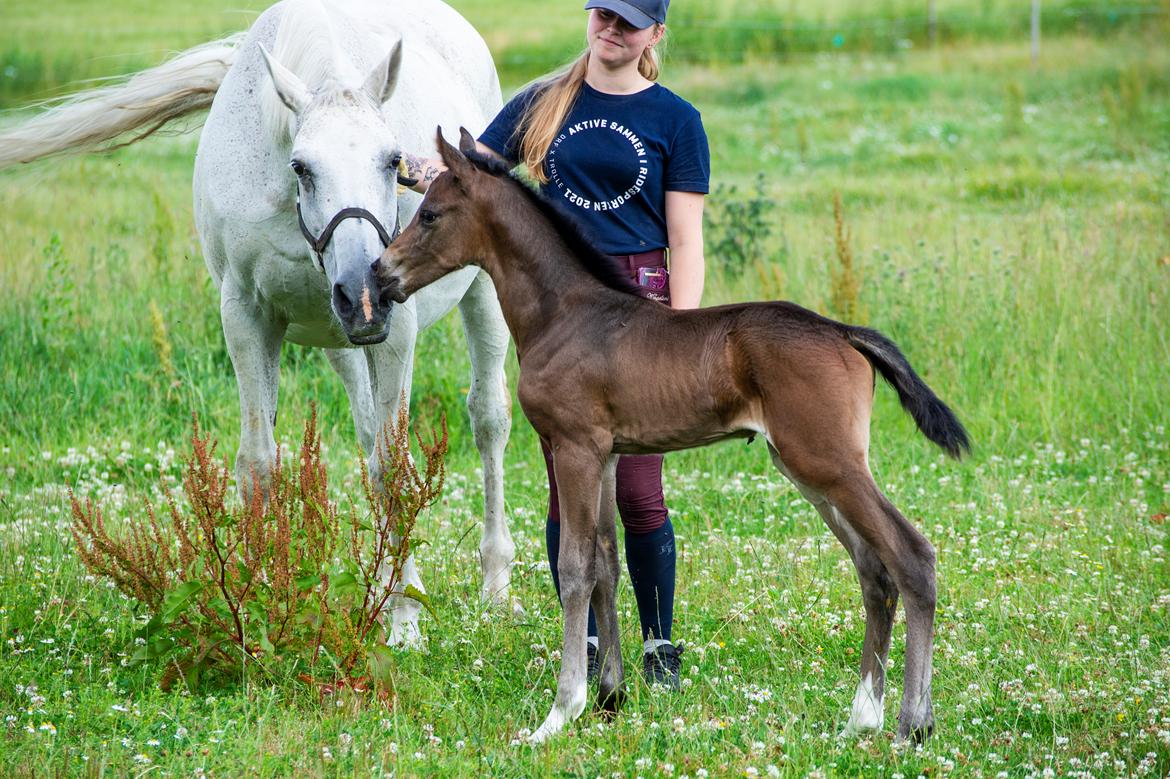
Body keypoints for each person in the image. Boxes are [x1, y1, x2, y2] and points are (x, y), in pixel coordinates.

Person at [402, 0, 709, 689]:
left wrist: (684, 333)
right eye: (603, 13)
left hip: (640, 300)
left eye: (629, 22)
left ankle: (659, 645)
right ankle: (593, 639)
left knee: (637, 492)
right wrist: (386, 162)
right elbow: (465, 179)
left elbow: (686, 236)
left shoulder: (676, 120)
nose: (611, 28)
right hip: (559, 306)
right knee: (565, 490)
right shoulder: (541, 103)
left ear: (655, 34)